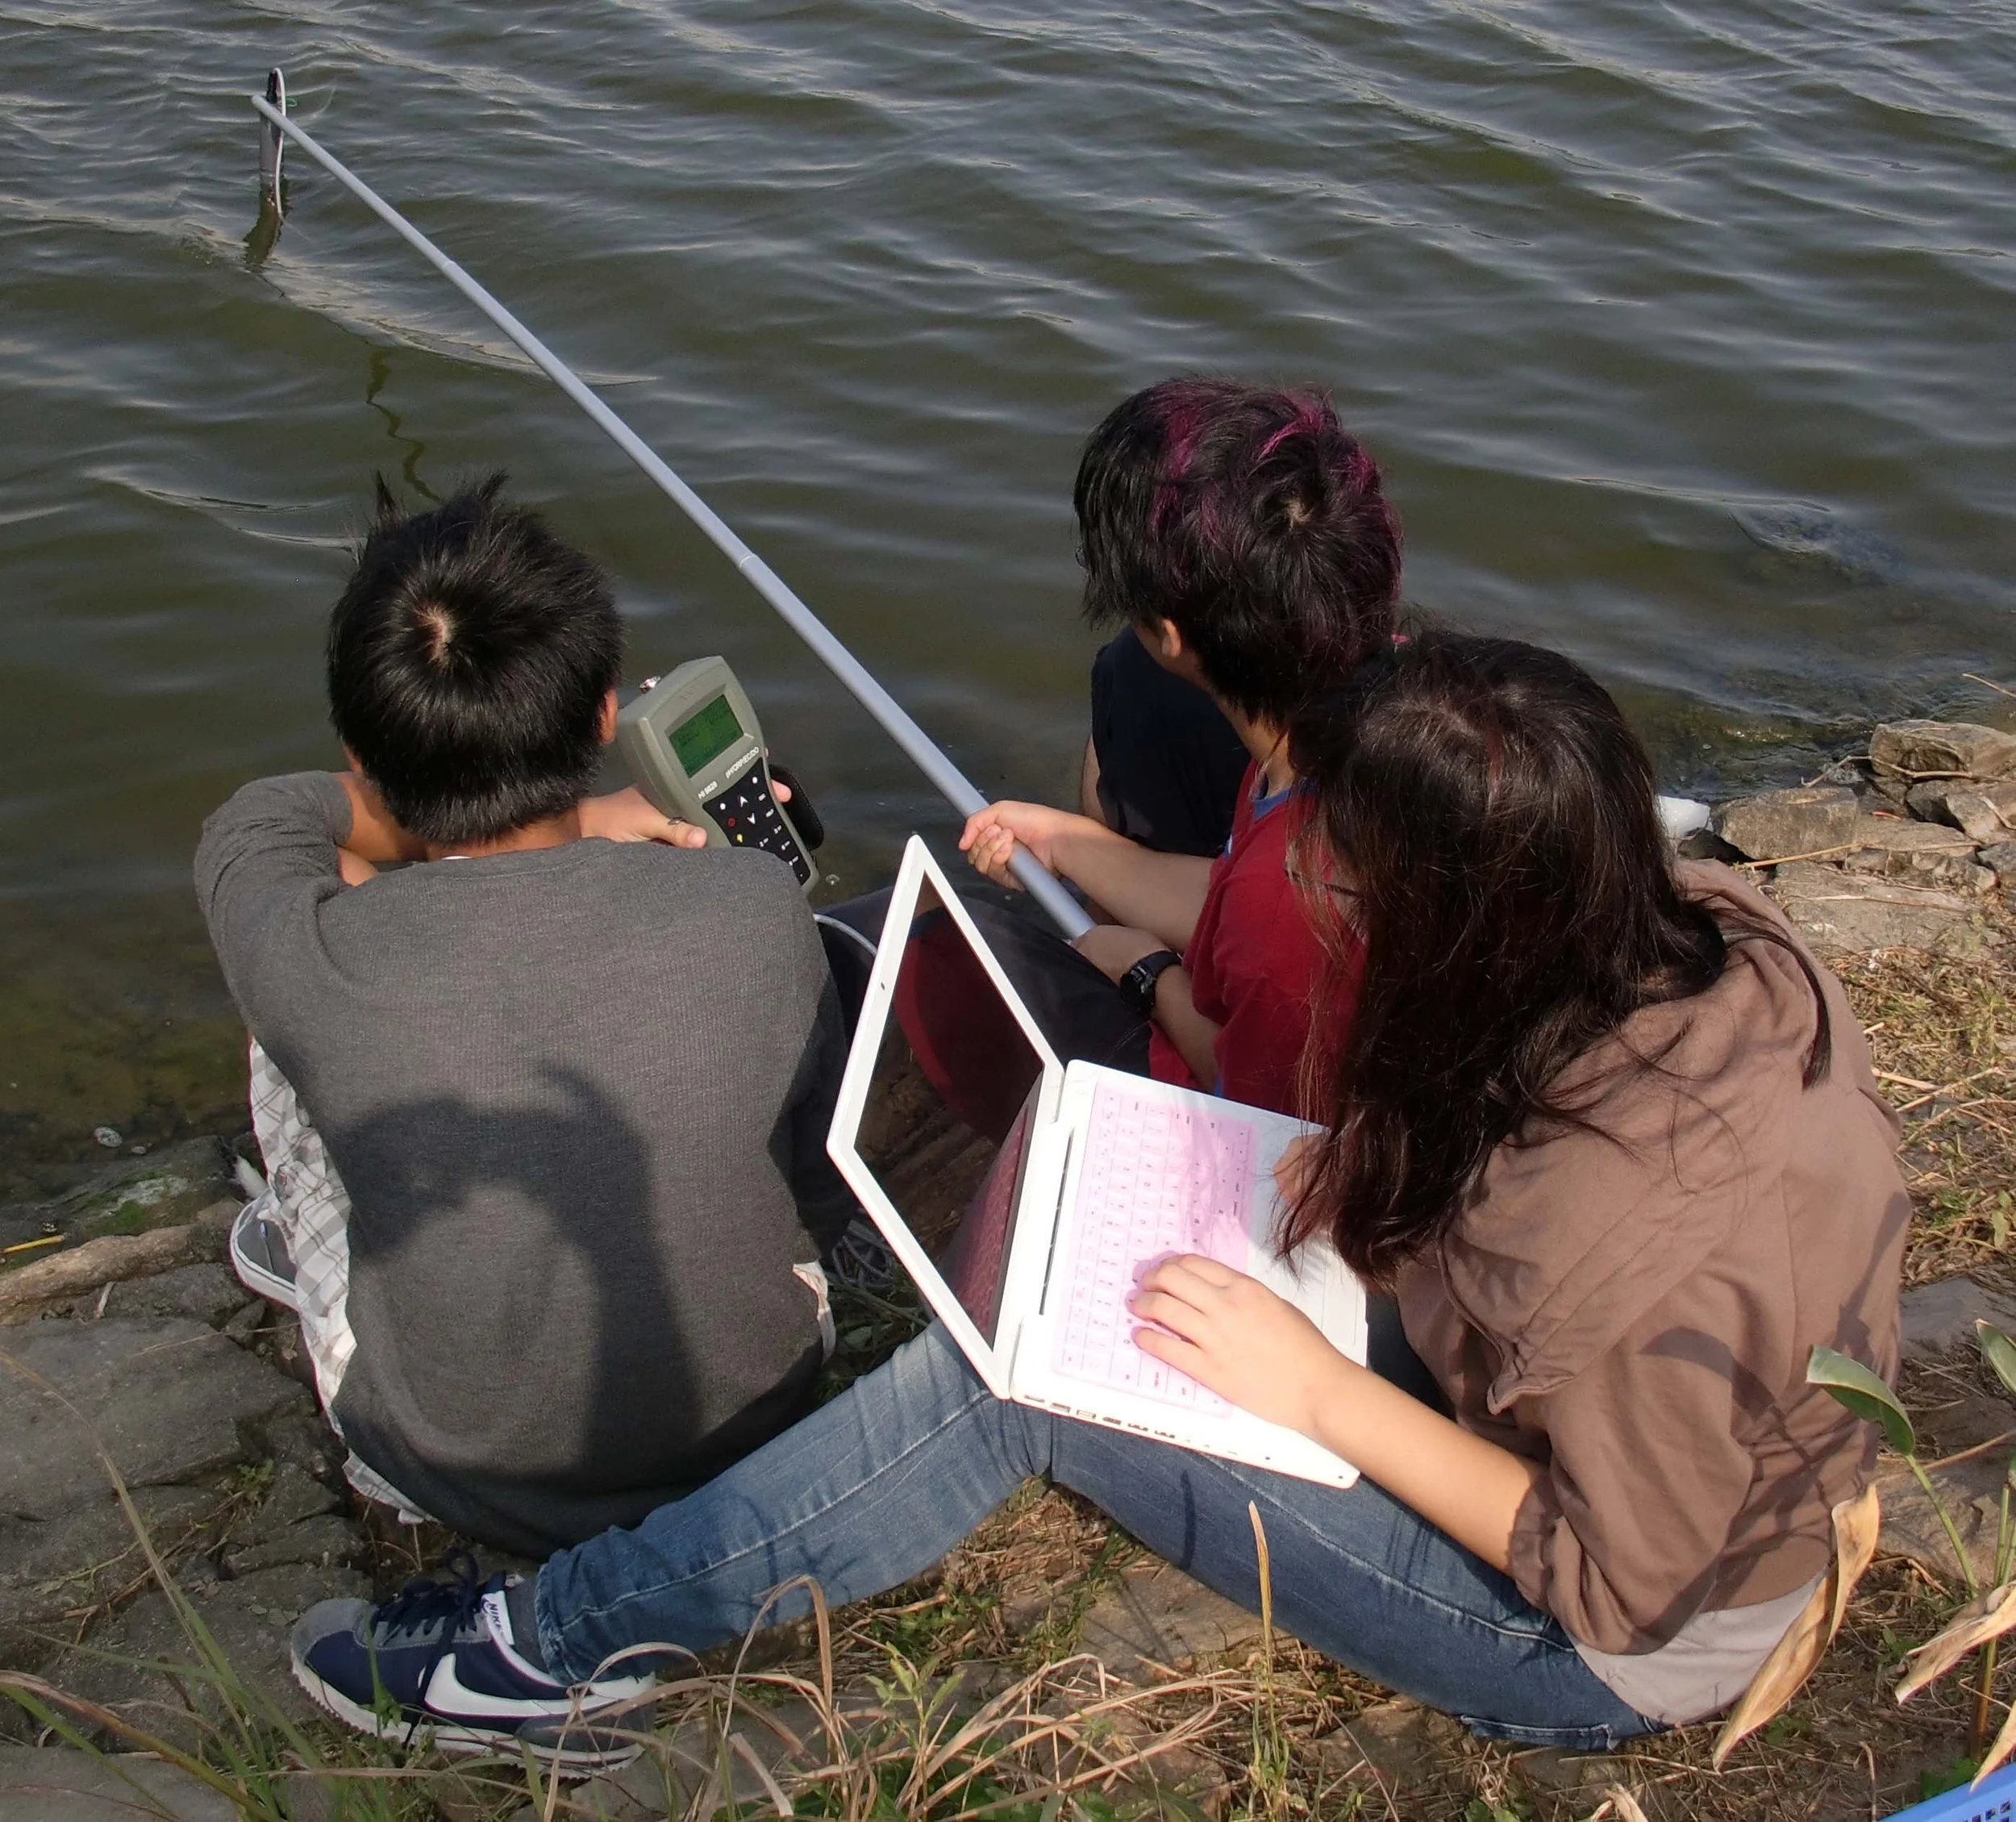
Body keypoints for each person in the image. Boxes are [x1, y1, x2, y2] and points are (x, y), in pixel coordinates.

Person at [285, 632, 1906, 1760]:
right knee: (1093, 1211)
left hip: (1618, 1636)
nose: (1308, 890)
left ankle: (550, 1649)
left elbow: (1608, 1571)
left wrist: (1319, 1396)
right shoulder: (1680, 928)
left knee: (1027, 1381)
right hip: (1561, 1402)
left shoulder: (1620, 1238)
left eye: (1338, 869)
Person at [196, 475, 853, 1557]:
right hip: (759, 1403)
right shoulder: (752, 899)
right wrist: (587, 815)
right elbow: (816, 1179)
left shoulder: (318, 951)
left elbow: (260, 821)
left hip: (442, 1461)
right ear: (606, 717)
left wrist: (424, 798)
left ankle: (304, 1236)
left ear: (364, 755)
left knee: (280, 1018)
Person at [931, 377, 1403, 1119]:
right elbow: (1229, 895)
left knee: (941, 962)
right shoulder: (1347, 712)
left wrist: (1151, 974)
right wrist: (1067, 841)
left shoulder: (1294, 886)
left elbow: (1259, 1097)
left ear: (1172, 636)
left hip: (1283, 1133)